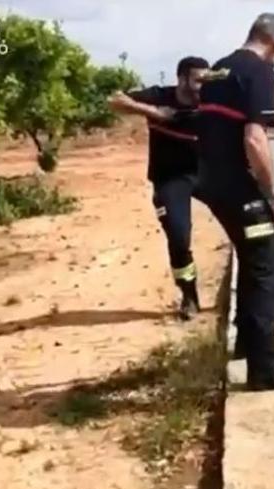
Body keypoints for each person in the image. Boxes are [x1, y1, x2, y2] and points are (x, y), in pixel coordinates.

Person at [195, 13, 274, 390]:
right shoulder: (259, 71)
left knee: (250, 257)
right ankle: (265, 368)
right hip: (241, 188)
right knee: (266, 270)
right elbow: (255, 140)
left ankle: (248, 341)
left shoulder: (217, 71)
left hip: (212, 184)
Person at [108, 56, 210, 321]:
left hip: (207, 173)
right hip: (170, 178)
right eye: (198, 79)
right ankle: (189, 296)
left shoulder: (210, 99)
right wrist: (155, 112)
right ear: (182, 78)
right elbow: (115, 100)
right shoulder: (157, 95)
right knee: (178, 237)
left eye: (206, 80)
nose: (202, 86)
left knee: (244, 217)